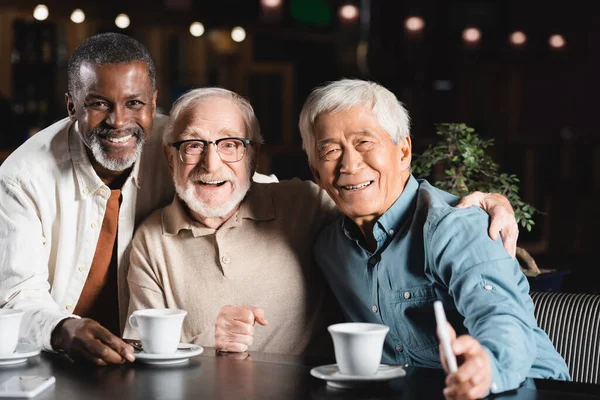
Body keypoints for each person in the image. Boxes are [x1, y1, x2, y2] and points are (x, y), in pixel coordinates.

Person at [124, 87, 519, 355]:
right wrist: (207, 338)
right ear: (169, 156)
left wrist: (486, 204)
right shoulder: (150, 240)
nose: (212, 164)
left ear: (253, 156)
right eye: (194, 145)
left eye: (231, 145)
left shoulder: (304, 204)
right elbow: (139, 353)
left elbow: (388, 205)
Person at [0, 33, 275, 366]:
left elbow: (238, 181)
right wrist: (62, 328)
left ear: (154, 103)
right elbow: (17, 295)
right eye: (98, 103)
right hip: (53, 359)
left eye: (134, 103)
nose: (118, 122)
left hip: (152, 360)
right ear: (72, 105)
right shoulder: (22, 177)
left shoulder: (176, 144)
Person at [298, 79, 570, 399]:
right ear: (316, 172)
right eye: (330, 150)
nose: (349, 164)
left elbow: (502, 317)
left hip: (523, 386)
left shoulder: (457, 227)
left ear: (403, 152)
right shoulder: (328, 248)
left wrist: (486, 368)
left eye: (364, 143)